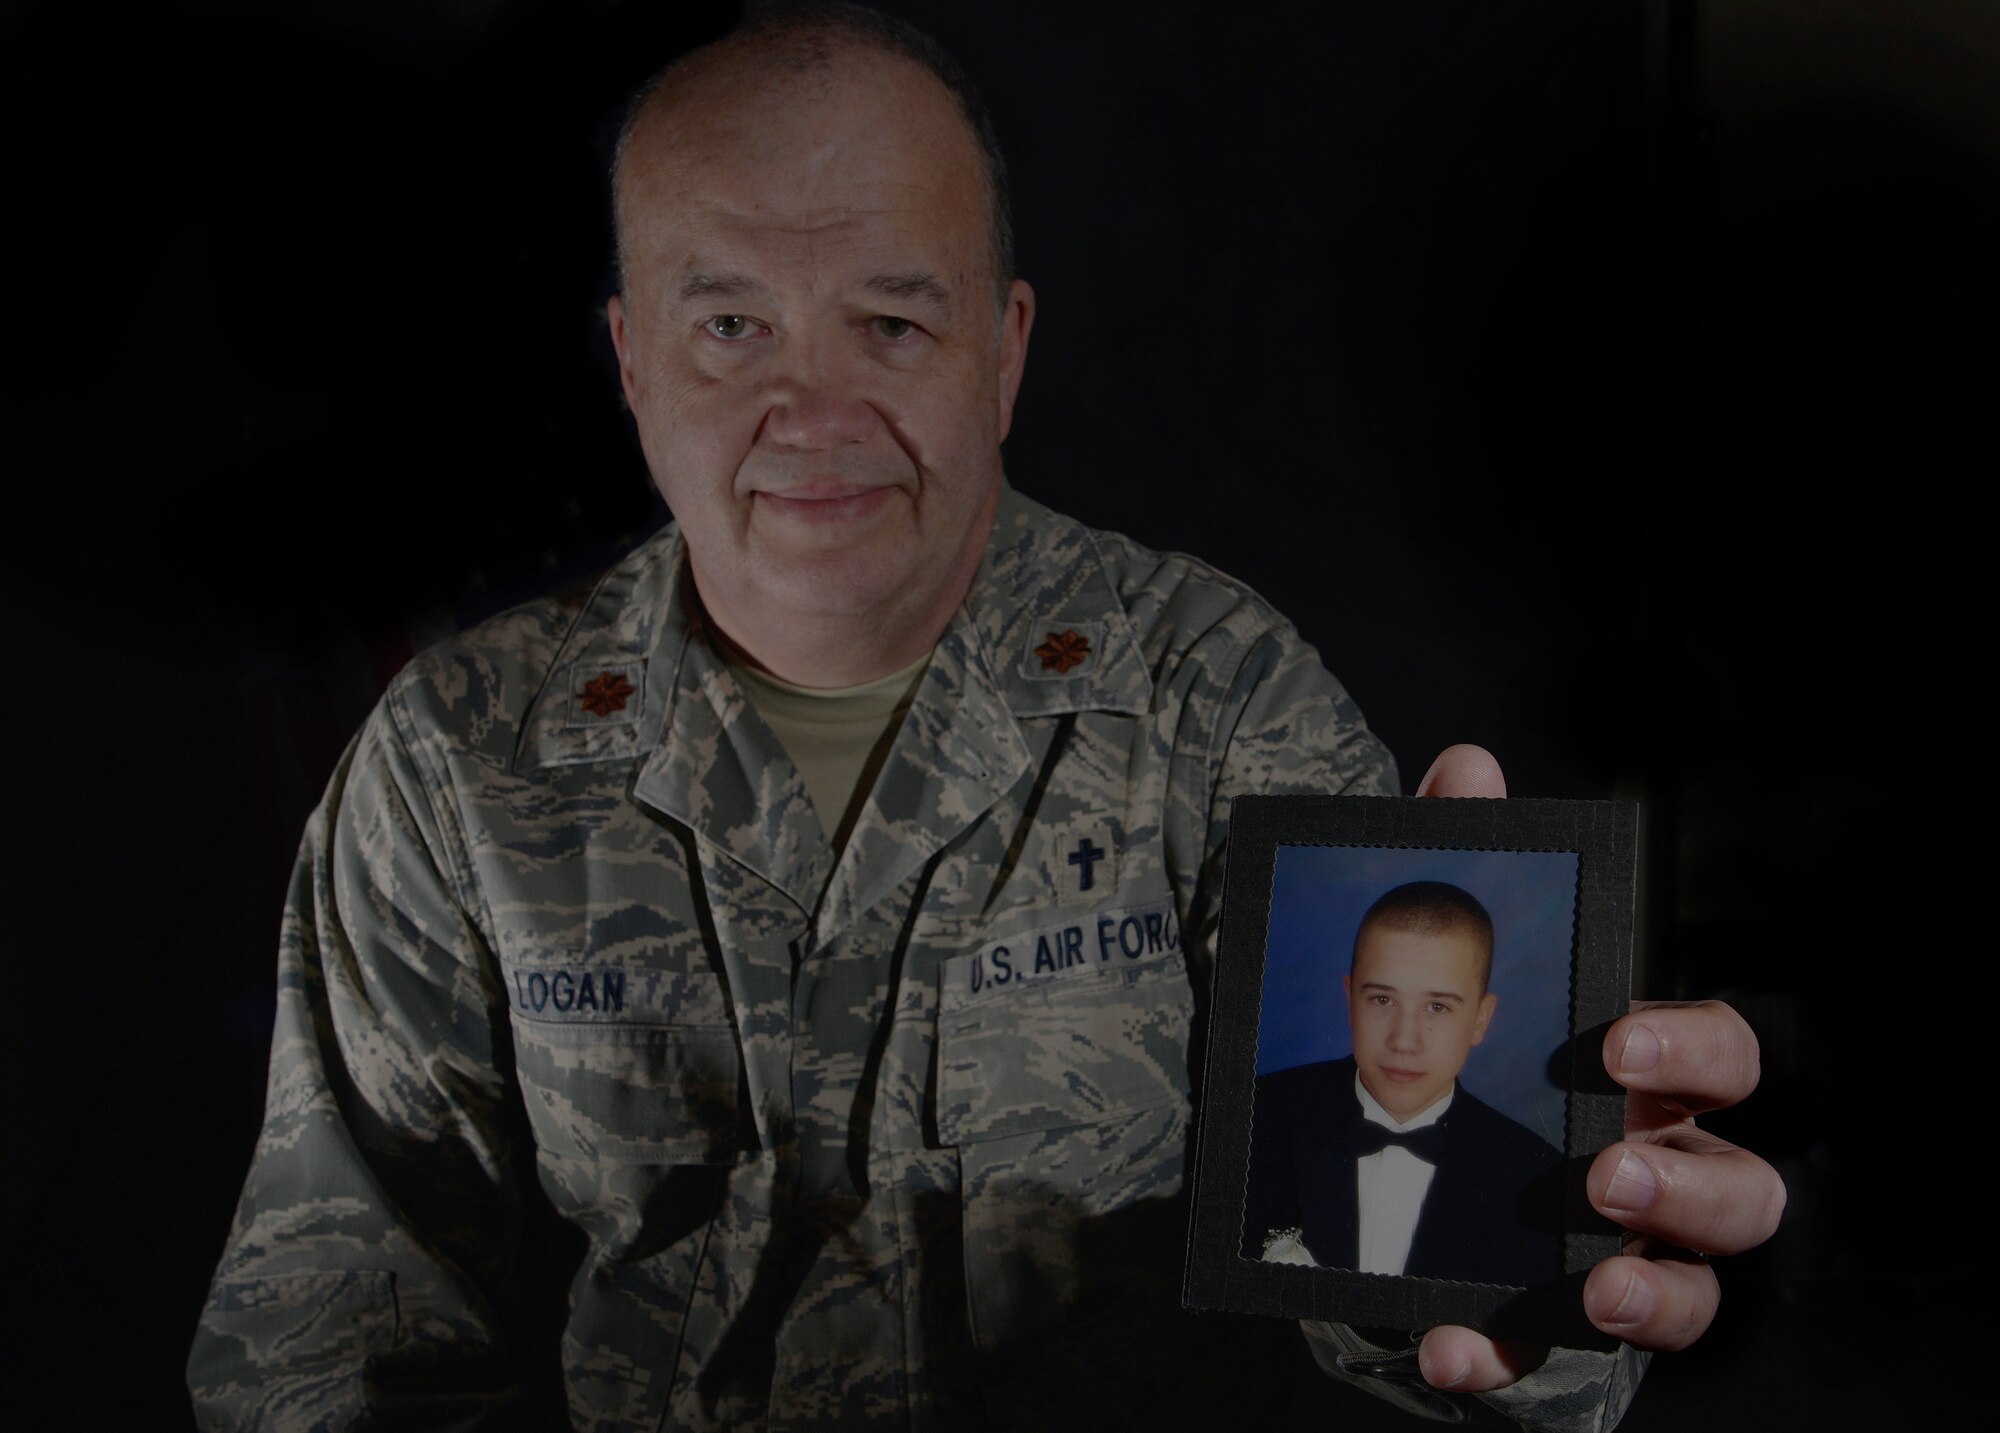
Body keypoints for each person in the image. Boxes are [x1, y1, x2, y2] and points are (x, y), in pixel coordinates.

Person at [188, 6, 1785, 1429]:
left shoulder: (1208, 701)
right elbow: (332, 1350)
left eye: (893, 322)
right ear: (628, 359)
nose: (811, 415)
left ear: (1004, 353)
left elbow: (1405, 1279)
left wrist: (1546, 1276)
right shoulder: (461, 760)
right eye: (730, 324)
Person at [1243, 881, 1561, 1287]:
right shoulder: (1252, 1119)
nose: (1404, 1041)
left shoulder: (1538, 1179)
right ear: (1350, 1000)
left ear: (1481, 1019)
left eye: (1437, 1007)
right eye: (1381, 999)